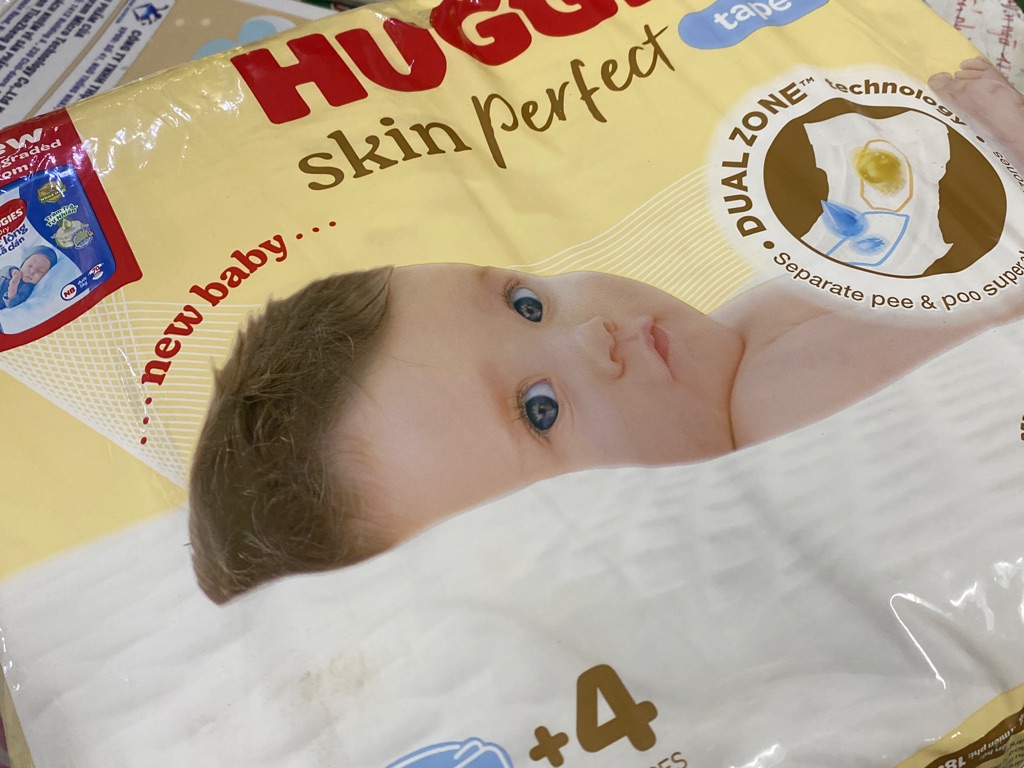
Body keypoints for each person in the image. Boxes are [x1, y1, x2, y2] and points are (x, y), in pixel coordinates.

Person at [189, 58, 1024, 604]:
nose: (595, 335)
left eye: (526, 304)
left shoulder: (723, 358)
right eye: (541, 410)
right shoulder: (785, 417)